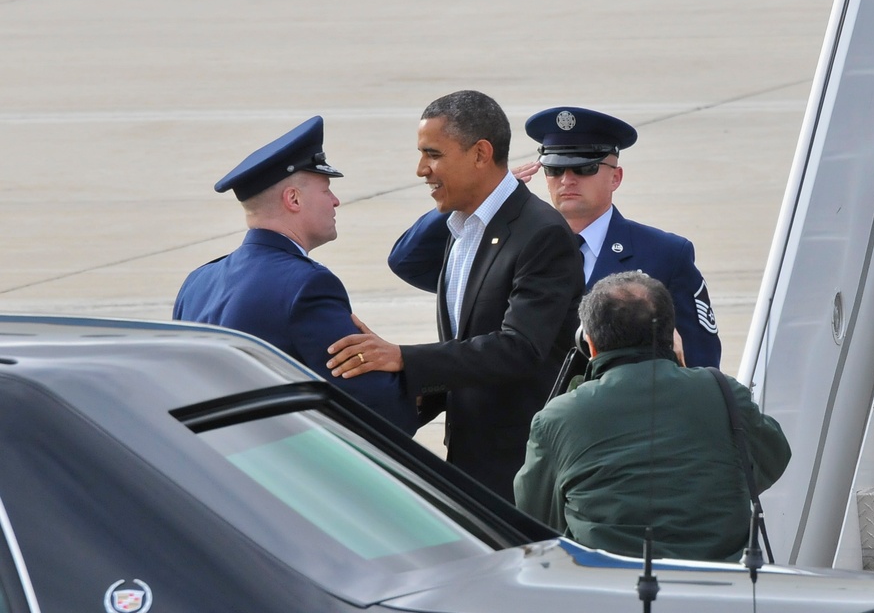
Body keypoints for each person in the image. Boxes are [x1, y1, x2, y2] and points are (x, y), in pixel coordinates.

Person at [326, 90, 584, 501]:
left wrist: (404, 358)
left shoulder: (541, 232)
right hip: (470, 460)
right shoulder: (461, 228)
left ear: (481, 154)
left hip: (524, 471)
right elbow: (411, 268)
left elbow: (519, 348)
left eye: (433, 154)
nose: (420, 169)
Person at [388, 106, 722, 369]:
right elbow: (408, 261)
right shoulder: (506, 245)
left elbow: (700, 359)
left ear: (616, 177)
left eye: (584, 168)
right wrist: (479, 197)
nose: (567, 180)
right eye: (555, 169)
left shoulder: (664, 254)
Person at [513, 271, 790, 561]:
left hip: (606, 587)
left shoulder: (558, 418)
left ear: (590, 344)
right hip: (721, 583)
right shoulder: (723, 392)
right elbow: (773, 456)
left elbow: (536, 517)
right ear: (671, 335)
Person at [173, 116, 418, 434]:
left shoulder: (198, 282)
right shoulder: (307, 286)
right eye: (326, 190)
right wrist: (434, 381)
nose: (335, 201)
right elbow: (376, 407)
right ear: (293, 199)